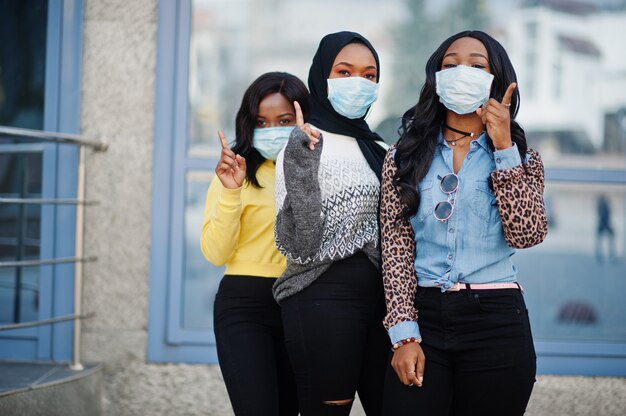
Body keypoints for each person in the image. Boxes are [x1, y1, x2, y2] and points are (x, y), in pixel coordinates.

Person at [379, 30, 548, 415]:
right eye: (451, 64)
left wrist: (503, 146)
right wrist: (403, 334)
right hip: (425, 318)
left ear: (497, 79)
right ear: (436, 77)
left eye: (477, 64)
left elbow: (528, 232)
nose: (462, 71)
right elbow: (396, 250)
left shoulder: (523, 158)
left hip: (497, 321)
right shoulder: (402, 157)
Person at [273, 31, 389, 415]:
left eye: (370, 75)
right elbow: (301, 245)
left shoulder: (382, 149)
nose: (359, 82)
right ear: (322, 76)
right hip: (322, 298)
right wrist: (302, 163)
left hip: (384, 305)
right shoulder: (301, 145)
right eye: (344, 71)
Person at [200, 72, 310, 416]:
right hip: (244, 305)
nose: (272, 129)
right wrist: (232, 193)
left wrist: (304, 164)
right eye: (262, 121)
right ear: (249, 123)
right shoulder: (233, 172)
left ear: (303, 119)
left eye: (285, 120)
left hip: (302, 302)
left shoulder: (318, 167)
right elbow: (216, 253)